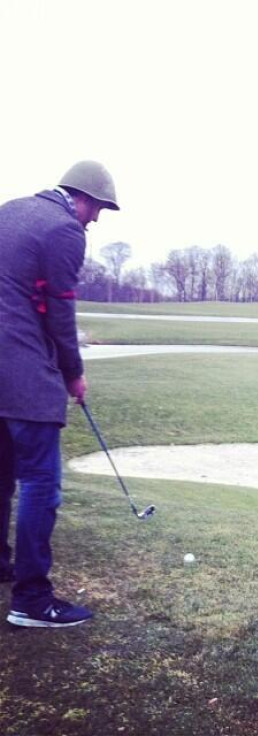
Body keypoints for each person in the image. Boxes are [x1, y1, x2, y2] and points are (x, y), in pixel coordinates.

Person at [0, 160, 119, 627]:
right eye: (99, 209)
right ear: (83, 198)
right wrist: (73, 372)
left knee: (2, 475)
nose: (96, 219)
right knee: (40, 482)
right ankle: (31, 599)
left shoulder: (9, 210)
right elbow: (60, 311)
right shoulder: (65, 230)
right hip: (23, 371)